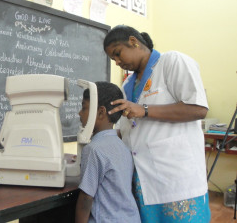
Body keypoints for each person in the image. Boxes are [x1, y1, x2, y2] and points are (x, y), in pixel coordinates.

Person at [104, 25, 211, 222]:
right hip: (145, 181)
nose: (118, 62)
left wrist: (144, 110)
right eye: (113, 59)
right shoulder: (128, 85)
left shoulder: (171, 62)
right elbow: (127, 128)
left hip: (177, 178)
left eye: (118, 54)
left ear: (133, 41)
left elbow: (198, 108)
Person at [75, 81, 141, 223]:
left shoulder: (94, 149)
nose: (80, 113)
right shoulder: (122, 146)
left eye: (83, 107)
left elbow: (86, 198)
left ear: (100, 112)